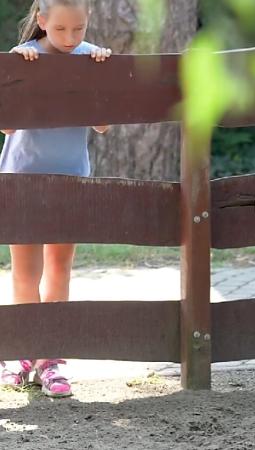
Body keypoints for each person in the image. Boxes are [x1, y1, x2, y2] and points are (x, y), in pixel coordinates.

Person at [0, 0, 112, 398]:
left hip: (70, 179)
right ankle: (23, 351)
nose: (70, 38)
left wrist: (97, 69)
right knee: (25, 272)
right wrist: (20, 71)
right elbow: (8, 127)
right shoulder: (21, 59)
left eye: (78, 29)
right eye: (61, 29)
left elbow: (102, 124)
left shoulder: (92, 58)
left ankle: (51, 357)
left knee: (59, 267)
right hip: (22, 179)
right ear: (42, 21)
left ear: (87, 22)